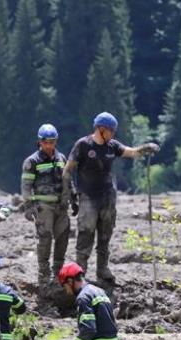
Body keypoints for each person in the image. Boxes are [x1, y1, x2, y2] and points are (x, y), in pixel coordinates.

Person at [63, 112, 159, 283]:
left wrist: (145, 149)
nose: (113, 134)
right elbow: (68, 169)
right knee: (86, 233)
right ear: (100, 129)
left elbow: (131, 152)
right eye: (111, 131)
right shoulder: (83, 145)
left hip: (107, 196)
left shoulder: (112, 146)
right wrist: (70, 193)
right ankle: (80, 270)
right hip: (87, 197)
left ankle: (103, 269)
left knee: (105, 234)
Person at [21, 124, 74, 286]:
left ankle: (58, 269)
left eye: (52, 141)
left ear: (56, 141)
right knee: (45, 238)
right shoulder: (32, 162)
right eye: (45, 142)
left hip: (61, 205)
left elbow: (68, 180)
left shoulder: (62, 159)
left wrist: (73, 198)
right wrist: (28, 205)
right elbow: (26, 185)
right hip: (43, 206)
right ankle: (44, 272)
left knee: (63, 237)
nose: (49, 145)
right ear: (40, 142)